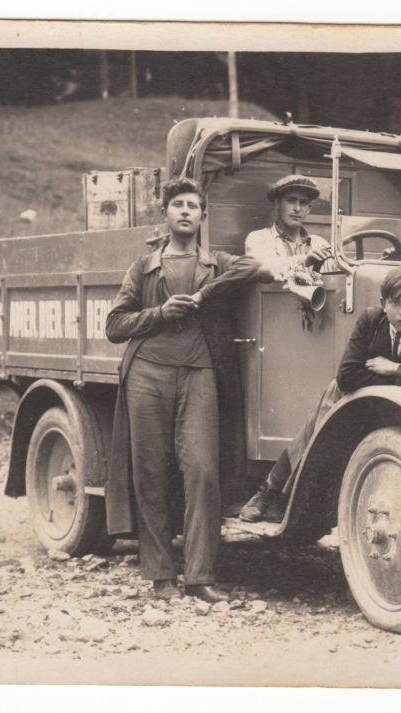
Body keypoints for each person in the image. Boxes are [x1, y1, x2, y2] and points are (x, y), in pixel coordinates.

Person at [104, 177, 269, 603]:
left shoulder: (217, 262)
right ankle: (161, 577)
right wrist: (159, 313)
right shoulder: (143, 267)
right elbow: (114, 326)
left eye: (193, 206)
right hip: (147, 374)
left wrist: (203, 295)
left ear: (202, 216)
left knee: (202, 471)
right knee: (151, 473)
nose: (185, 211)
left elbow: (250, 266)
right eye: (177, 204)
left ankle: (199, 577)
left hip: (198, 374)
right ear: (165, 213)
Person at [239, 265, 401, 523]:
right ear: (383, 304)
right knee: (316, 428)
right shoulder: (370, 321)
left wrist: (394, 368)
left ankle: (282, 497)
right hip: (352, 396)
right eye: (395, 303)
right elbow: (348, 375)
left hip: (392, 409)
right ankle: (269, 491)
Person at [244, 175, 337, 275]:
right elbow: (266, 268)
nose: (297, 208)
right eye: (291, 200)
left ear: (309, 208)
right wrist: (305, 260)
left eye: (303, 203)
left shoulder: (320, 243)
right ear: (277, 204)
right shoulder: (258, 238)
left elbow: (337, 275)